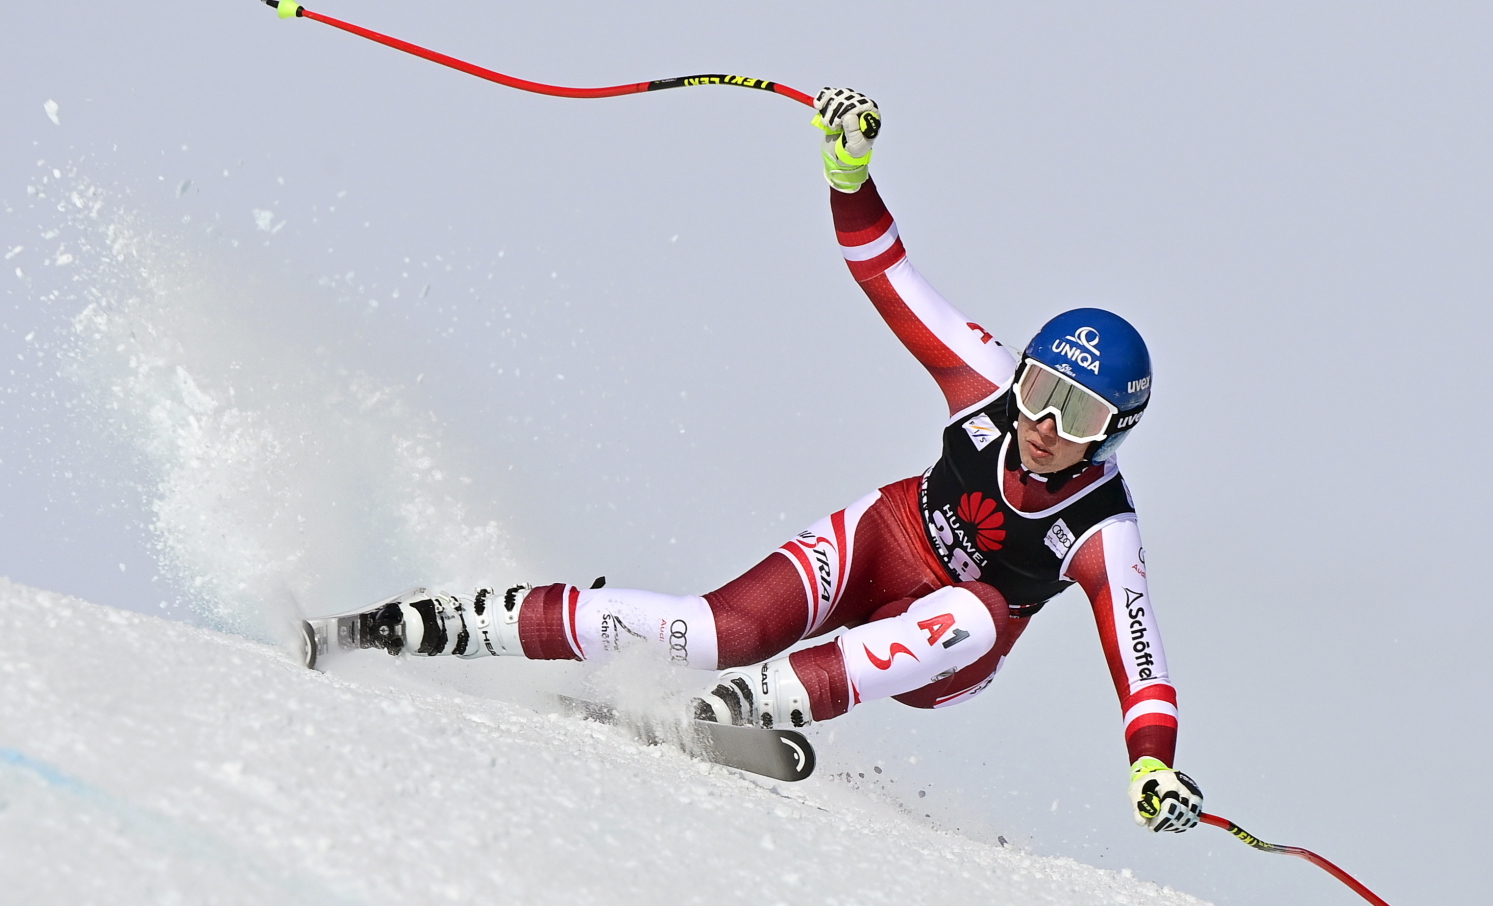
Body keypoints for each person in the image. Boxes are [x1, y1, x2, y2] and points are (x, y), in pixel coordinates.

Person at [304, 88, 1204, 834]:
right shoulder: (982, 380)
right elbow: (885, 269)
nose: (1044, 420)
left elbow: (1142, 660)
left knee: (972, 612)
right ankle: (415, 622)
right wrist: (848, 174)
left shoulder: (1102, 528)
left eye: (1078, 411)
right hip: (888, 535)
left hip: (946, 650)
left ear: (1114, 432)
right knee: (709, 631)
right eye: (1042, 387)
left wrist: (1153, 767)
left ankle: (750, 702)